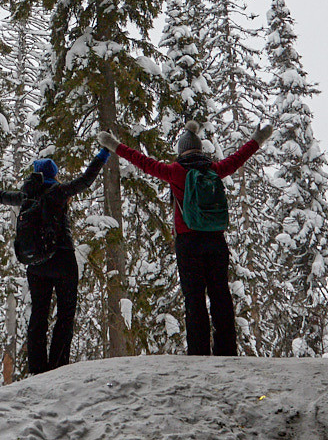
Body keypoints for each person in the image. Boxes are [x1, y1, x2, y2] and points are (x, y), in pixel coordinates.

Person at [99, 120, 272, 357]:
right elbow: (239, 157)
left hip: (188, 243)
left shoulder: (175, 171)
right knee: (220, 294)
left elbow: (141, 160)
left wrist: (114, 145)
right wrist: (258, 140)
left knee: (194, 298)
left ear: (181, 151)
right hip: (215, 240)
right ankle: (226, 350)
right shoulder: (213, 169)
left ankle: (199, 352)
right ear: (200, 149)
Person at [0, 147, 110, 376]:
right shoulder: (58, 191)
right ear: (54, 175)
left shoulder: (26, 195)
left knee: (39, 315)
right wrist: (103, 154)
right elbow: (86, 180)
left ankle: (37, 369)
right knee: (65, 313)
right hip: (62, 258)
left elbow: (0, 195)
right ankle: (58, 365)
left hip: (36, 265)